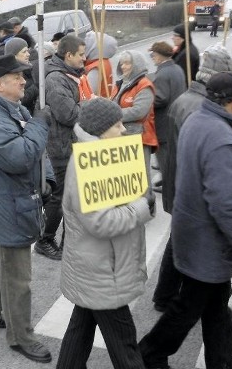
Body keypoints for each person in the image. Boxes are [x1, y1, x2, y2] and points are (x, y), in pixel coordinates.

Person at [139, 72, 232, 369]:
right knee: (188, 308)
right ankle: (149, 353)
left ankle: (222, 362)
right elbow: (227, 206)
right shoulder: (223, 140)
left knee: (216, 305)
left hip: (191, 230)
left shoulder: (198, 120)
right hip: (209, 243)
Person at [154, 48, 232, 330]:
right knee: (189, 302)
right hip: (199, 214)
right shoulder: (198, 110)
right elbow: (219, 183)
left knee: (206, 295)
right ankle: (153, 348)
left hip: (184, 193)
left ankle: (165, 296)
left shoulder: (192, 102)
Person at [57, 98, 155, 369]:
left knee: (81, 330)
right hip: (103, 270)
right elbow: (100, 223)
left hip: (99, 266)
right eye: (117, 125)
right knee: (125, 345)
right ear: (101, 129)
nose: (123, 130)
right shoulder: (87, 165)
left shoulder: (102, 155)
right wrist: (141, 207)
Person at [0, 54, 54, 363]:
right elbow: (18, 157)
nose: (24, 81)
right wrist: (39, 126)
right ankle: (21, 337)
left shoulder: (13, 108)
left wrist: (48, 178)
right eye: (17, 77)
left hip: (19, 201)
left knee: (10, 262)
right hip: (9, 206)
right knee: (18, 276)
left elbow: (34, 155)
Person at [36, 35, 93, 261]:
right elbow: (68, 114)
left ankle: (67, 241)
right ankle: (44, 239)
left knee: (72, 197)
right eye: (80, 55)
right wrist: (90, 103)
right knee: (58, 198)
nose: (84, 58)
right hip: (60, 146)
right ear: (68, 55)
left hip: (72, 144)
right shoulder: (56, 79)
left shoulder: (74, 75)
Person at [111, 50, 157, 200]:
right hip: (123, 136)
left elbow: (139, 111)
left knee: (141, 175)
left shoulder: (144, 85)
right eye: (122, 63)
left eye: (128, 63)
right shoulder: (122, 83)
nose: (123, 66)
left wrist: (112, 114)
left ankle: (147, 207)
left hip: (140, 137)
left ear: (136, 65)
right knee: (128, 177)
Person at [148, 42, 185, 193]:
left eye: (154, 55)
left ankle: (169, 186)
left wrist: (146, 99)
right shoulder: (177, 69)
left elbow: (161, 98)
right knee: (173, 154)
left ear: (158, 55)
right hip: (177, 116)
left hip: (164, 121)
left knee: (165, 156)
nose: (153, 58)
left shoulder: (162, 73)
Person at [4, 37, 37, 115]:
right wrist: (36, 88)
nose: (28, 54)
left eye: (28, 51)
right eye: (24, 52)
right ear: (14, 55)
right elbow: (19, 99)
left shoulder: (28, 69)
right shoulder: (9, 74)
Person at [83, 30, 118, 97]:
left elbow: (88, 93)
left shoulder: (96, 68)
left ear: (93, 47)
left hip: (96, 105)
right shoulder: (104, 61)